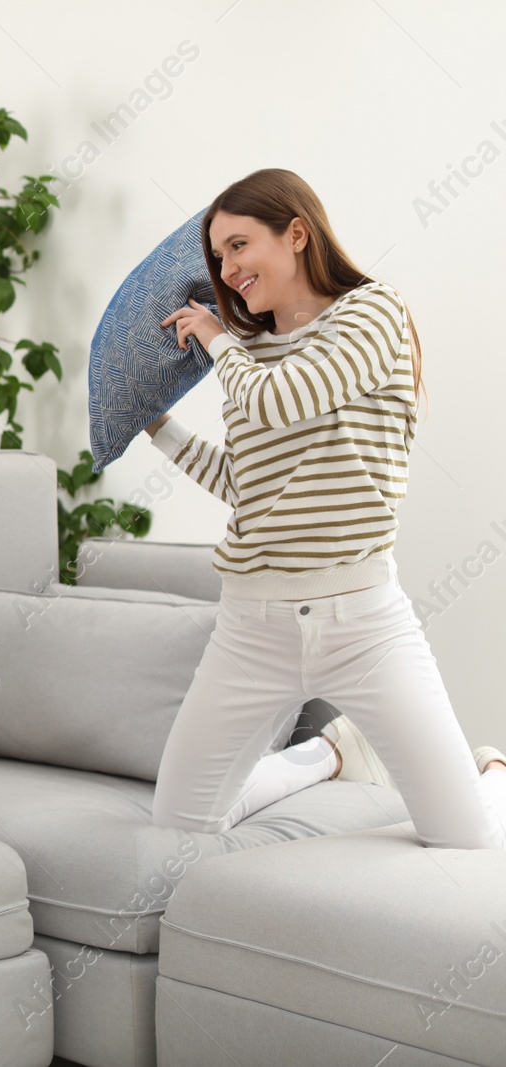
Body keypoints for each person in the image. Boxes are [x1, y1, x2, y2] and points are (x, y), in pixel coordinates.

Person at [146, 167, 506, 848]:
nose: (227, 269)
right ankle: (326, 753)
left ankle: (490, 774)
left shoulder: (372, 313)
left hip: (361, 622)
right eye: (218, 256)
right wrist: (159, 429)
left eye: (239, 245)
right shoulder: (249, 352)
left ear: (298, 234)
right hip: (251, 624)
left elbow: (283, 400)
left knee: (468, 839)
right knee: (178, 828)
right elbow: (247, 485)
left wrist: (215, 337)